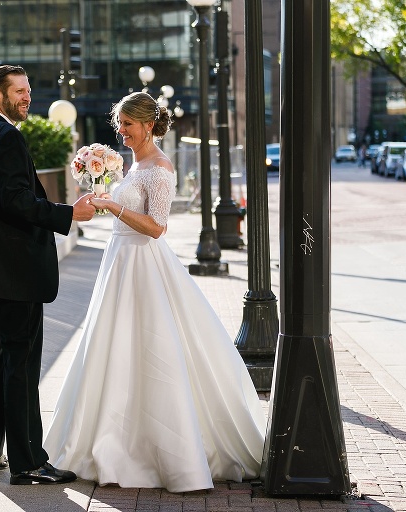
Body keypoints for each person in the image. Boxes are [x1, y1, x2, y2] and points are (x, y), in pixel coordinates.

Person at [43, 92, 266, 493]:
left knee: (150, 347)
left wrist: (114, 207)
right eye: (119, 124)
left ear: (148, 124)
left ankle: (162, 450)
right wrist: (103, 195)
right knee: (111, 348)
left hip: (143, 263)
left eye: (127, 124)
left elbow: (157, 226)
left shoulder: (160, 167)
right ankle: (104, 438)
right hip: (119, 262)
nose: (121, 131)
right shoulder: (134, 163)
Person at [0, 65, 96, 485]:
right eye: (18, 92)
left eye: (28, 90)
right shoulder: (6, 136)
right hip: (13, 274)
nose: (26, 98)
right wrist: (71, 213)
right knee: (21, 365)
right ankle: (29, 462)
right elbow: (16, 201)